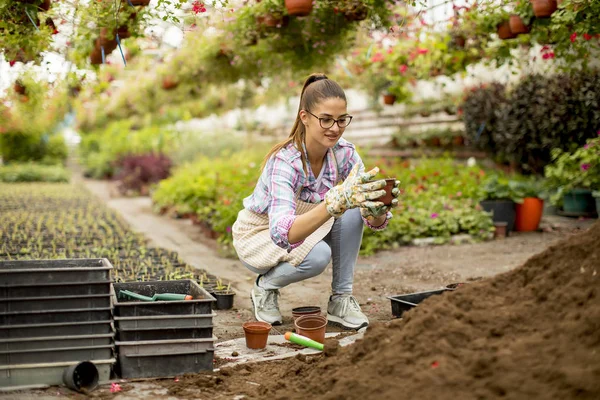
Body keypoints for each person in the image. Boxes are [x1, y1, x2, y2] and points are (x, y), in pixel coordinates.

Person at [232, 73, 400, 330]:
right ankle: (264, 286)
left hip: (310, 227)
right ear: (305, 117)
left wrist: (377, 208)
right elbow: (283, 233)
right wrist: (333, 204)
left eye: (342, 120)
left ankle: (341, 300)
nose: (335, 128)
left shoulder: (345, 153)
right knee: (318, 255)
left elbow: (373, 221)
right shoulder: (285, 162)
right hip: (260, 234)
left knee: (353, 204)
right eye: (326, 120)